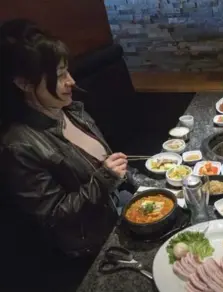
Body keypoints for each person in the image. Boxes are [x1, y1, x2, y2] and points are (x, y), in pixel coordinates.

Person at [0, 19, 151, 291]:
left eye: (66, 70)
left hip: (118, 207)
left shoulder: (71, 110)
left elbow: (110, 169)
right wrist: (105, 178)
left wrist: (144, 186)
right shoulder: (19, 146)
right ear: (23, 83)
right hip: (91, 243)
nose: (71, 81)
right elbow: (54, 214)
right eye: (59, 75)